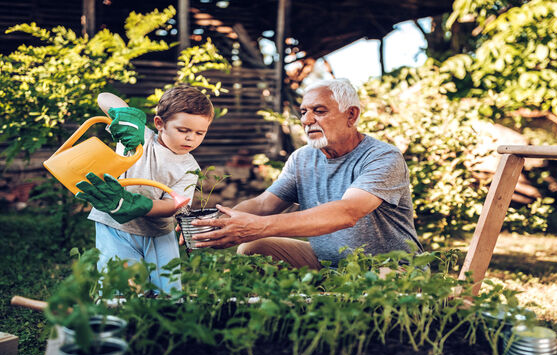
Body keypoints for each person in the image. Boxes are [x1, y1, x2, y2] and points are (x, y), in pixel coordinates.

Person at [185, 78, 422, 269]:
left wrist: (259, 226)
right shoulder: (302, 158)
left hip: (388, 266)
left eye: (319, 111)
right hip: (327, 263)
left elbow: (347, 213)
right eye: (303, 112)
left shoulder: (382, 156)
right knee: (255, 247)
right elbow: (265, 204)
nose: (307, 120)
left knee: (383, 277)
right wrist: (212, 225)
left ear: (351, 115)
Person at [75, 86, 214, 294]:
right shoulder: (138, 137)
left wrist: (139, 205)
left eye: (199, 133)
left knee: (168, 289)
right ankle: (117, 314)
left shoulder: (189, 166)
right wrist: (126, 117)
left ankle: (164, 317)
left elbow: (173, 204)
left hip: (157, 233)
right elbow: (104, 97)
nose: (190, 138)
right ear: (159, 124)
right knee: (120, 286)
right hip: (115, 226)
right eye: (183, 130)